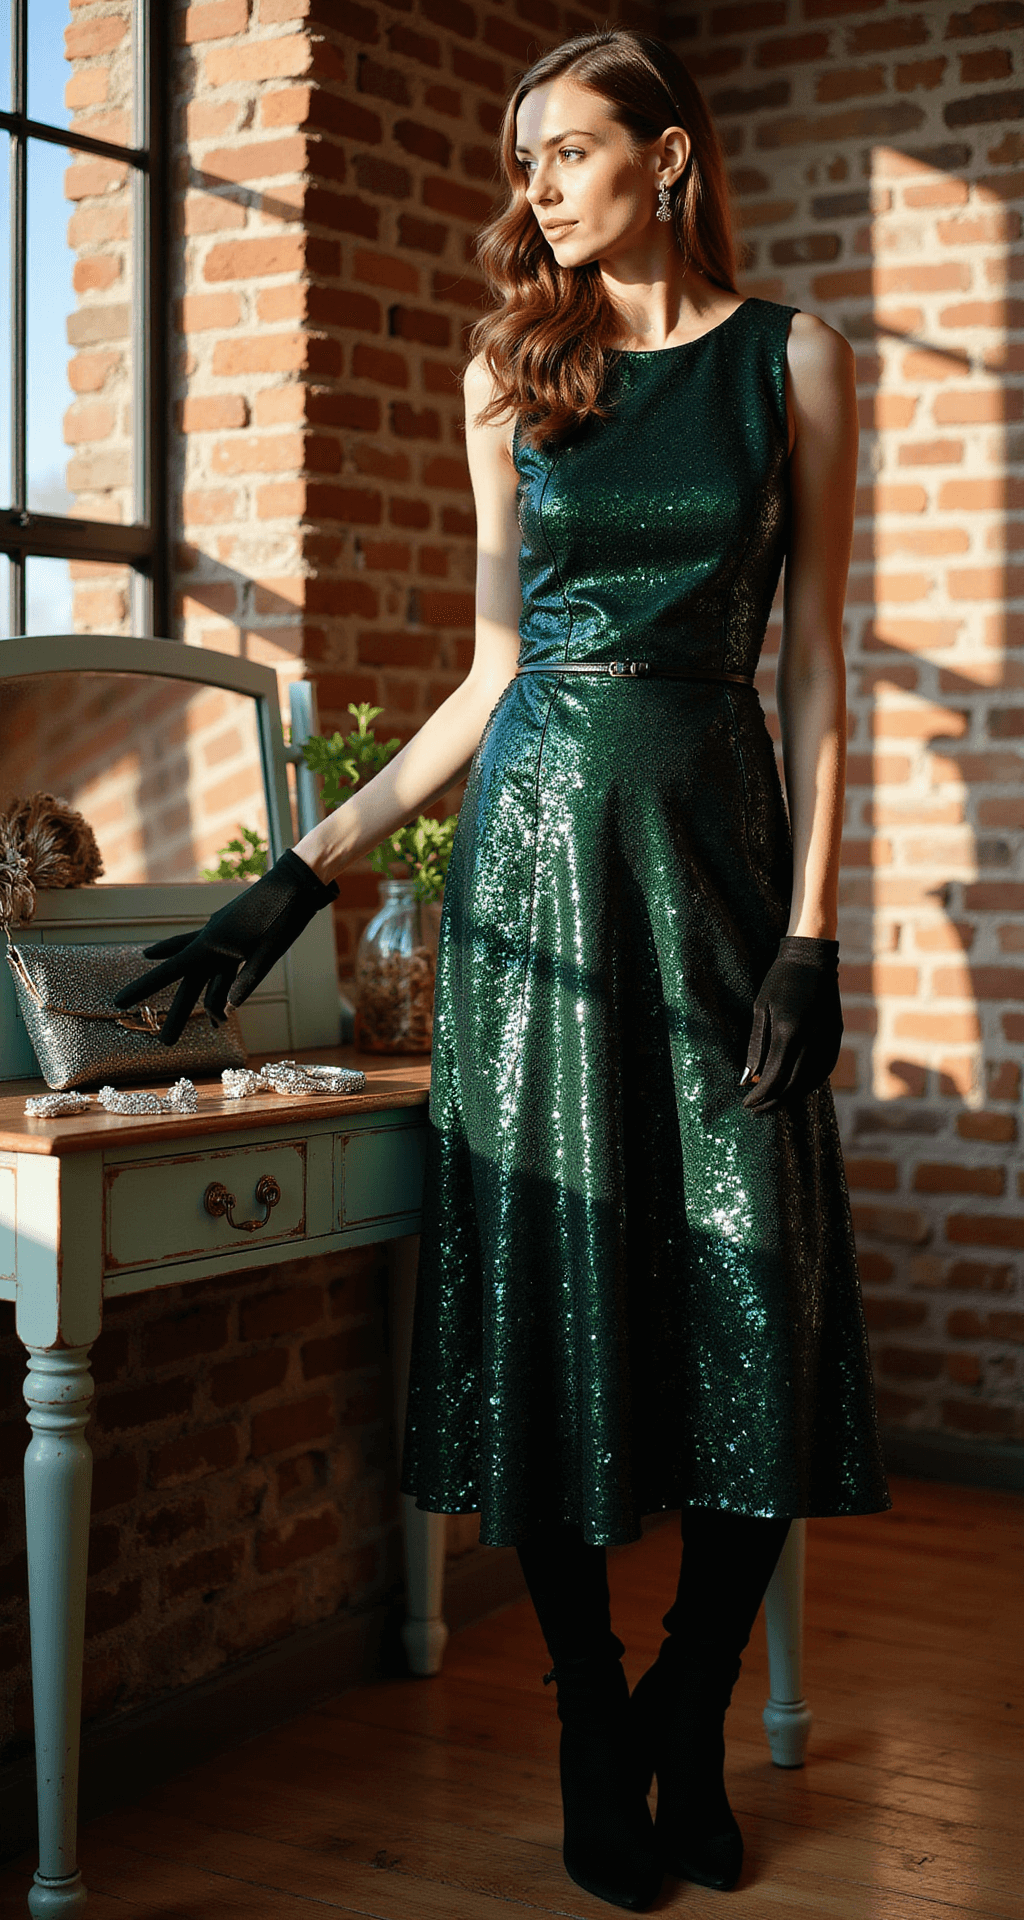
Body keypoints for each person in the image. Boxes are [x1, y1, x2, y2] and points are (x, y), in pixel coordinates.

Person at [115, 27, 890, 1912]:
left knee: (753, 1305)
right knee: (550, 1290)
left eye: (567, 150)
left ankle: (688, 1702)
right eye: (522, 155)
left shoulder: (795, 358)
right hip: (536, 877)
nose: (533, 185)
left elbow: (816, 667)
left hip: (714, 872)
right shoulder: (510, 370)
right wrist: (293, 879)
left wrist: (814, 933)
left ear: (673, 158)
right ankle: (584, 1714)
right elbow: (489, 677)